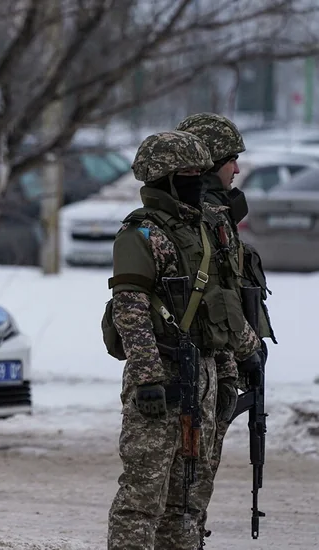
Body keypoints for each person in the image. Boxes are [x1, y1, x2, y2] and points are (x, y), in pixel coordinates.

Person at [102, 130, 261, 550]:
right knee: (143, 496)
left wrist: (228, 369)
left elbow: (215, 311)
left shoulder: (201, 230)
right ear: (166, 179)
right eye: (189, 174)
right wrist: (148, 379)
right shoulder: (141, 234)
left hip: (202, 374)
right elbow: (130, 309)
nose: (199, 181)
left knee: (188, 498)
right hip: (164, 376)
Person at [175, 112, 276, 547]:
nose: (237, 168)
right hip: (200, 359)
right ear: (211, 159)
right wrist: (247, 348)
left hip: (217, 358)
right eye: (231, 158)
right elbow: (219, 296)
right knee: (188, 479)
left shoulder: (213, 213)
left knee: (194, 480)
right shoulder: (203, 217)